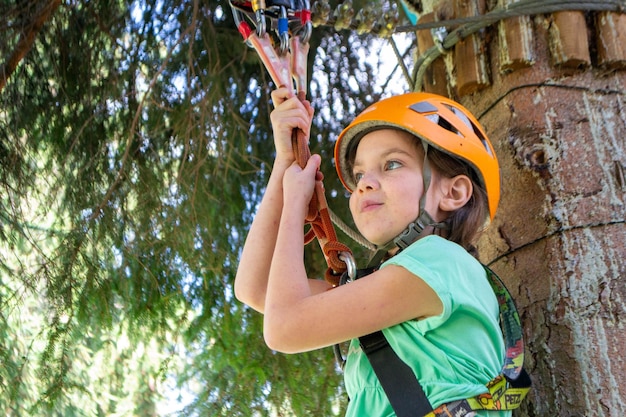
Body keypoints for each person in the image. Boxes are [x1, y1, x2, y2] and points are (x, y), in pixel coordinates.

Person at [234, 87, 509, 417]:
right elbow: (256, 287)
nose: (364, 183)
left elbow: (284, 326)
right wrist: (285, 164)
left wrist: (295, 203)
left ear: (453, 192)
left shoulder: (440, 262)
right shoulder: (403, 284)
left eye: (392, 164)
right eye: (361, 174)